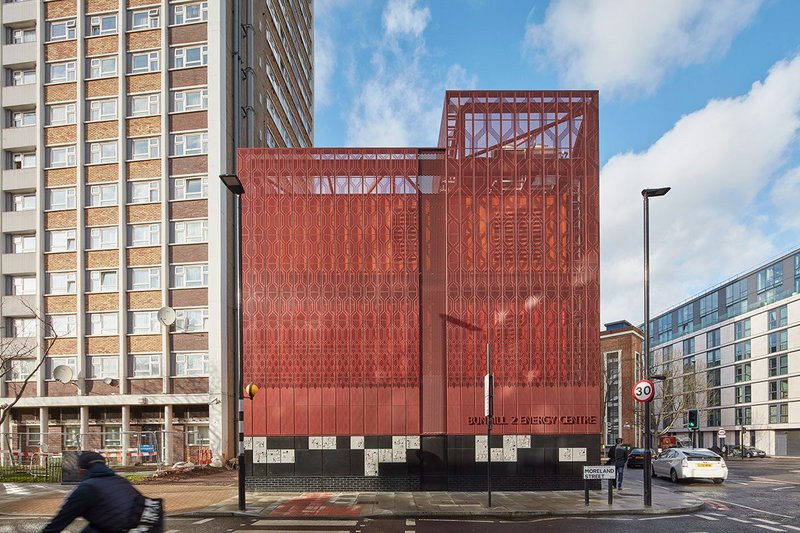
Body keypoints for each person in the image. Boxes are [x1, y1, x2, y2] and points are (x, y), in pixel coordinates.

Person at [43, 451, 145, 533]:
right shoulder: (120, 480)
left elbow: (59, 522)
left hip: (120, 527)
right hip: (139, 526)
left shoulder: (87, 488)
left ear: (81, 470)